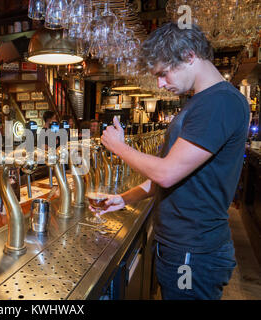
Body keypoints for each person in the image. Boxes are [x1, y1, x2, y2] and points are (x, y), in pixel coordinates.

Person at [98, 22, 249, 300]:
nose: (160, 83)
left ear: (190, 56)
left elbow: (167, 173)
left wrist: (119, 147)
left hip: (193, 251)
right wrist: (125, 198)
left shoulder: (220, 103)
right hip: (181, 247)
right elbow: (170, 177)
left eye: (164, 73)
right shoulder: (200, 102)